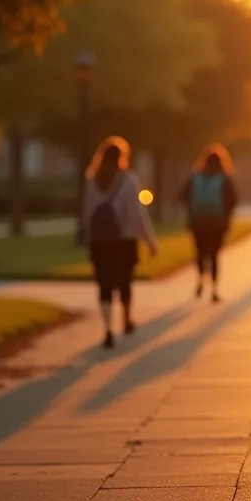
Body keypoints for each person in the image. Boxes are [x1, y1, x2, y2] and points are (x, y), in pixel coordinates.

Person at [83, 136, 158, 350]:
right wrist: (150, 240)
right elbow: (137, 214)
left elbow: (87, 212)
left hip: (100, 242)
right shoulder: (129, 179)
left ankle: (107, 329)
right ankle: (126, 320)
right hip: (124, 242)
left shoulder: (92, 179)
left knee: (104, 285)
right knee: (125, 282)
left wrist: (88, 237)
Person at [181, 143, 239, 303]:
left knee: (200, 252)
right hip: (217, 223)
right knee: (214, 255)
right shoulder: (224, 179)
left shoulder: (195, 177)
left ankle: (200, 279)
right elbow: (233, 200)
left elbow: (183, 197)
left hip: (198, 221)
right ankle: (214, 289)